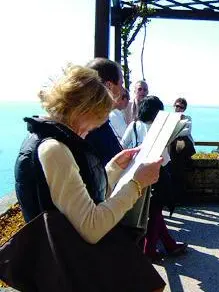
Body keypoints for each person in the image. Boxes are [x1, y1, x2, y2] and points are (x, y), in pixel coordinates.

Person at [13, 65, 165, 290]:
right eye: (94, 121)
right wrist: (136, 183)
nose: (90, 131)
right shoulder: (54, 149)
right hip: (71, 271)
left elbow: (75, 200)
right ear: (81, 110)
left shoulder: (41, 138)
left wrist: (113, 168)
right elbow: (92, 227)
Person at [122, 96, 188, 261]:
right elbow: (164, 157)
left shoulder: (135, 125)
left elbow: (123, 145)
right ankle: (149, 249)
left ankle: (169, 245)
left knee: (153, 212)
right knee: (155, 211)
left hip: (138, 172)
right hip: (158, 173)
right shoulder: (160, 130)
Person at [84, 58, 124, 166]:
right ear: (109, 86)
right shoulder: (91, 127)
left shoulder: (92, 121)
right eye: (121, 84)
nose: (123, 90)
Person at [168, 97, 196, 201]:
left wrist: (173, 132)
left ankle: (178, 197)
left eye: (181, 107)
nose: (178, 108)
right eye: (177, 106)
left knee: (180, 171)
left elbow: (186, 131)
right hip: (173, 149)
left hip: (182, 149)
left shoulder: (187, 118)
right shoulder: (169, 117)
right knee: (174, 171)